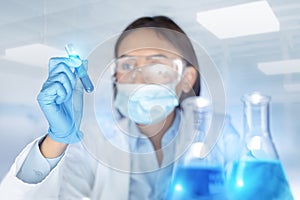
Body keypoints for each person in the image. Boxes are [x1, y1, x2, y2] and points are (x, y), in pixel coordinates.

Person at [0, 16, 201, 199]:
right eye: (127, 65)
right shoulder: (94, 142)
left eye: (156, 65)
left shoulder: (220, 140)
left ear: (186, 78)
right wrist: (56, 140)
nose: (139, 77)